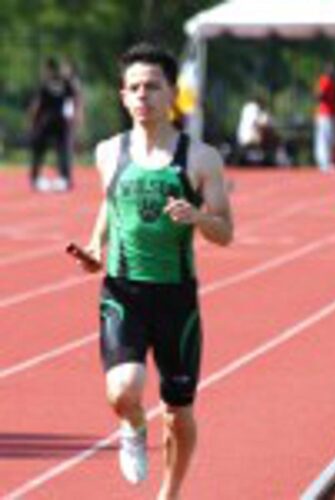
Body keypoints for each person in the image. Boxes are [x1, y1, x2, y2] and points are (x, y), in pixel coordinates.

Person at [79, 42, 233, 499]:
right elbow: (111, 206)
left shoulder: (201, 158)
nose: (142, 95)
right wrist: (94, 246)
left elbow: (225, 232)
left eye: (152, 87)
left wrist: (199, 218)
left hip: (176, 300)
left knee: (180, 412)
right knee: (124, 389)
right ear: (123, 97)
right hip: (123, 291)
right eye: (134, 88)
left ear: (172, 95)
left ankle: (170, 492)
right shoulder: (109, 152)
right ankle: (132, 425)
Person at [28, 57, 77, 192]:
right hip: (61, 121)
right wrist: (74, 119)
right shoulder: (66, 84)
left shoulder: (44, 84)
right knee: (63, 151)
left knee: (39, 151)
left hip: (45, 122)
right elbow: (73, 102)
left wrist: (32, 122)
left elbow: (36, 105)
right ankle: (65, 178)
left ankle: (35, 177)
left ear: (48, 69)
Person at [313, 62, 335, 171]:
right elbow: (319, 95)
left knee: (331, 138)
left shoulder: (332, 82)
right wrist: (325, 97)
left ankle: (328, 161)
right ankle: (324, 163)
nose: (332, 71)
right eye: (330, 69)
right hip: (324, 114)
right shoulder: (325, 80)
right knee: (324, 138)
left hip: (331, 113)